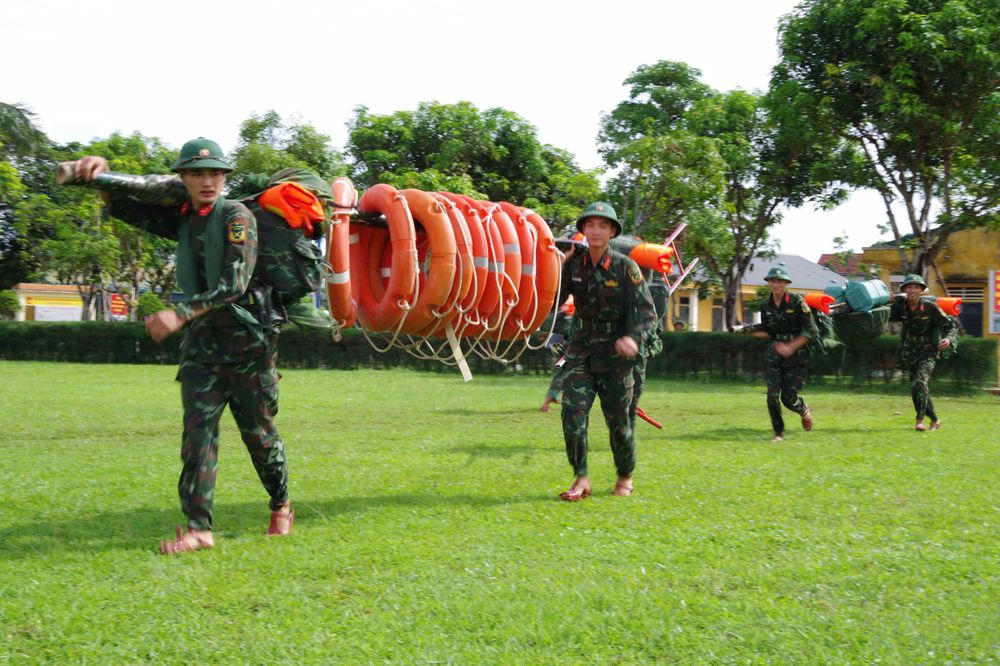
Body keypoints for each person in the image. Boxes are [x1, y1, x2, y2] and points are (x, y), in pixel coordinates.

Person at [72, 138, 294, 554]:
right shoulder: (185, 219)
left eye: (214, 173)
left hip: (250, 347)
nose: (206, 181)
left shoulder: (236, 216)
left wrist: (178, 313)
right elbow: (129, 210)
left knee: (260, 438)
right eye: (196, 173)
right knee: (197, 436)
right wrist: (98, 177)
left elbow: (235, 284)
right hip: (202, 350)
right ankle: (199, 529)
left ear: (224, 177)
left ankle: (281, 503)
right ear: (183, 179)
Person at [555, 201, 657, 500]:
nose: (596, 230)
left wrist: (634, 339)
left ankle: (625, 475)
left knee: (619, 424)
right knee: (572, 413)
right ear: (583, 230)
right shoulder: (574, 264)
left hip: (617, 357)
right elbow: (552, 301)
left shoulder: (626, 268)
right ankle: (581, 477)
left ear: (612, 231)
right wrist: (557, 266)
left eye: (602, 225)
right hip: (582, 350)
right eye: (590, 225)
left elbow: (647, 313)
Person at [748, 264, 819, 442]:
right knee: (772, 395)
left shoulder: (797, 302)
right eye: (773, 281)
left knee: (789, 398)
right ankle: (778, 432)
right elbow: (768, 331)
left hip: (797, 355)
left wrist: (791, 347)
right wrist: (747, 331)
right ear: (769, 283)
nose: (776, 284)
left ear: (786, 283)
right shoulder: (766, 305)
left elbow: (812, 331)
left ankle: (803, 409)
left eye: (779, 281)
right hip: (774, 355)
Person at [888, 274, 955, 431]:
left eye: (916, 287)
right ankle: (935, 420)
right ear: (905, 290)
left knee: (920, 382)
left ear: (921, 290)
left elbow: (950, 325)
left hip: (928, 352)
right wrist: (889, 300)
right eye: (909, 287)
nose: (912, 290)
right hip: (910, 353)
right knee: (916, 389)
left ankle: (919, 421)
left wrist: (948, 339)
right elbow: (886, 315)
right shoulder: (901, 306)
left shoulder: (931, 308)